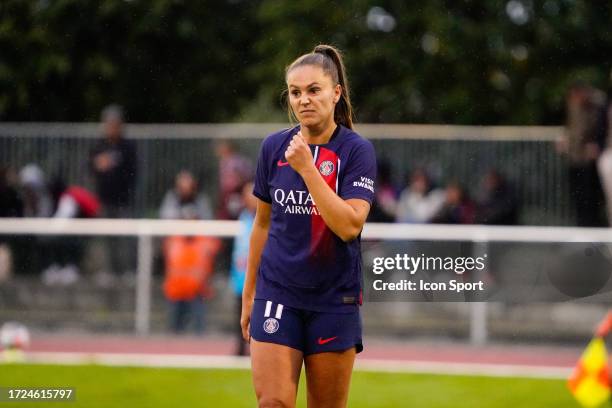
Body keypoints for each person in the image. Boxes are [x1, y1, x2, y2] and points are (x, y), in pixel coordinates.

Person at [241, 44, 376, 408]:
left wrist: (307, 169)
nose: (303, 100)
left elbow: (349, 225)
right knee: (273, 403)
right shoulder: (273, 147)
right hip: (278, 293)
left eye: (313, 90)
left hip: (334, 300)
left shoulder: (356, 151)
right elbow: (262, 225)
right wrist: (249, 293)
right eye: (296, 92)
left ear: (336, 93)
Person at [89, 104, 137, 278]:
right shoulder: (98, 146)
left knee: (125, 238)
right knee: (106, 238)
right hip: (105, 199)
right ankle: (108, 271)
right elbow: (90, 168)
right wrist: (98, 165)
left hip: (123, 200)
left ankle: (128, 271)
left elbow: (133, 172)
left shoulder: (128, 147)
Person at [557, 83, 608, 227]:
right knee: (577, 195)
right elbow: (571, 128)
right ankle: (582, 225)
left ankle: (592, 225)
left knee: (590, 196)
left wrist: (596, 144)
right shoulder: (573, 106)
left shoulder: (596, 106)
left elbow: (598, 129)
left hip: (588, 158)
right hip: (575, 157)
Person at [230, 181, 256, 356]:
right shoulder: (241, 218)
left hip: (259, 280)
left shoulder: (266, 219)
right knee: (239, 316)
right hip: (241, 279)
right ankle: (239, 351)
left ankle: (259, 352)